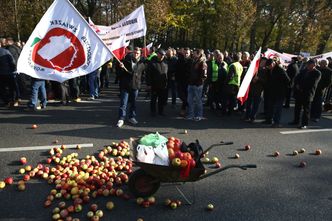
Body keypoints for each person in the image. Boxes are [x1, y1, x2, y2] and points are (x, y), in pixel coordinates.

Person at [116, 47, 146, 128]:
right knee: (123, 103)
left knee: (133, 103)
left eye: (137, 53)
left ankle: (131, 117)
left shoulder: (142, 63)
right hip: (125, 86)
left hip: (135, 86)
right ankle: (121, 118)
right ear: (132, 53)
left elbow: (142, 75)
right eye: (135, 52)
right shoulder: (126, 60)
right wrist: (120, 67)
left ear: (140, 54)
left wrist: (139, 83)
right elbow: (119, 73)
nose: (136, 54)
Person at [290, 59, 321, 129]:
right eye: (308, 64)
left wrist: (301, 86)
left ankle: (304, 124)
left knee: (306, 110)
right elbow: (297, 78)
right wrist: (297, 85)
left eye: (310, 64)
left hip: (308, 94)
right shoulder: (304, 71)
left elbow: (312, 83)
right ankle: (296, 121)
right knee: (297, 108)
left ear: (314, 65)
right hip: (299, 93)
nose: (308, 65)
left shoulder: (317, 73)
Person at [264, 58, 290, 127]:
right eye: (267, 66)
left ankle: (277, 122)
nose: (268, 67)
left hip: (280, 92)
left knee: (278, 108)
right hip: (272, 91)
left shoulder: (280, 70)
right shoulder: (269, 70)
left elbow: (287, 80)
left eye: (269, 65)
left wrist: (282, 87)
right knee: (270, 107)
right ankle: (269, 120)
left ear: (273, 63)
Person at [186, 49, 207, 121]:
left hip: (197, 85)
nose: (192, 54)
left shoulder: (202, 62)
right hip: (191, 83)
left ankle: (199, 115)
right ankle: (191, 115)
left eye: (194, 53)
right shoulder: (193, 61)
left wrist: (199, 82)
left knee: (198, 100)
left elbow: (204, 75)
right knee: (190, 100)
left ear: (198, 54)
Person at [146, 49, 168, 116]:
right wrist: (149, 84)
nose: (162, 56)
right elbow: (148, 74)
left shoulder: (166, 63)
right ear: (157, 54)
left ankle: (161, 111)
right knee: (153, 99)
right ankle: (153, 112)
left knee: (161, 99)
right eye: (161, 54)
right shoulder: (152, 63)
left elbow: (167, 73)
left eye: (163, 55)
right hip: (154, 85)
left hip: (163, 85)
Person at [245, 57, 267, 122]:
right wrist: (252, 80)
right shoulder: (254, 69)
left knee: (256, 105)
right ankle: (247, 116)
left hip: (259, 91)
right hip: (251, 89)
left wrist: (258, 79)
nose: (263, 63)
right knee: (248, 104)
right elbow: (248, 77)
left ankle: (252, 117)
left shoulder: (265, 71)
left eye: (264, 62)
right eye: (262, 62)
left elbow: (266, 81)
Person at [175, 48, 192, 117]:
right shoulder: (179, 60)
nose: (186, 54)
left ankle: (183, 109)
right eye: (185, 53)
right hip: (180, 80)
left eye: (187, 53)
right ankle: (188, 104)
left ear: (189, 53)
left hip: (188, 81)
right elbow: (177, 70)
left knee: (186, 95)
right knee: (180, 95)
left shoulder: (191, 61)